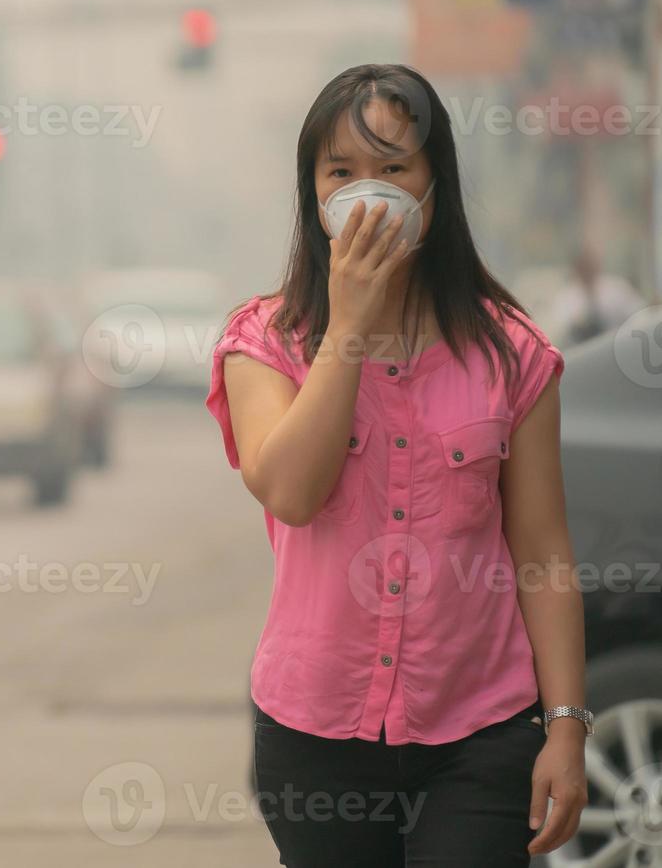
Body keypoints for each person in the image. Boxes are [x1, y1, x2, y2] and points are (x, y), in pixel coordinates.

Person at [206, 64, 587, 866]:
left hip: (478, 733)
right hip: (314, 732)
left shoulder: (510, 352)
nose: (366, 193)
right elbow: (291, 492)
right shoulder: (266, 342)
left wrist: (565, 726)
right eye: (341, 172)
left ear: (433, 185)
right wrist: (347, 330)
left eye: (392, 168)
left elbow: (543, 552)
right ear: (312, 194)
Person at [548, 248, 646, 347]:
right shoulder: (566, 298)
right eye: (583, 265)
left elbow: (640, 314)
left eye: (589, 264)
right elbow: (560, 331)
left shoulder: (617, 289)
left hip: (617, 347)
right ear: (576, 268)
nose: (587, 269)